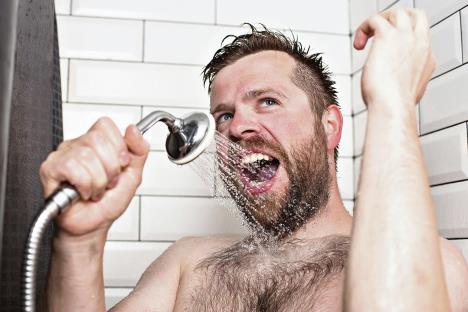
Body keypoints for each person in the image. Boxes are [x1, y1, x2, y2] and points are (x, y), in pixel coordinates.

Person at [42, 8, 468, 312]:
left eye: (267, 101)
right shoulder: (188, 265)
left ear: (330, 127)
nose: (236, 126)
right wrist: (79, 243)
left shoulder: (432, 260)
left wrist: (391, 102)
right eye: (223, 115)